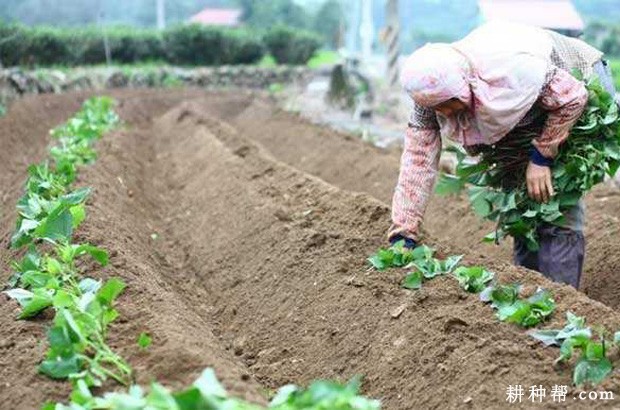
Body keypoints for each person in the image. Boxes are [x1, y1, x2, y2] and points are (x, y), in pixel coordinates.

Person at [388, 22, 617, 289]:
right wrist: (404, 232)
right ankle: (529, 289)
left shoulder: (510, 71)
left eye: (451, 103)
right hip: (529, 107)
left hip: (577, 83)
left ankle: (561, 296)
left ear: (463, 84)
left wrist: (542, 157)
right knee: (521, 200)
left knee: (556, 196)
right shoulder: (430, 95)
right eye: (440, 108)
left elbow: (572, 98)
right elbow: (417, 159)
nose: (448, 113)